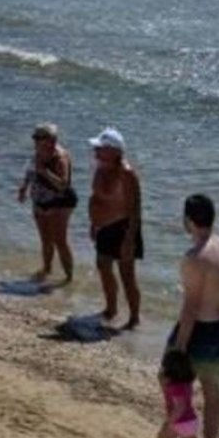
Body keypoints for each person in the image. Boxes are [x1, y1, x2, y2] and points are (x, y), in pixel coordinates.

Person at [169, 193, 219, 438]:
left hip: (200, 329)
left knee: (174, 385)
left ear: (188, 220)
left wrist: (180, 346)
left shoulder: (194, 258)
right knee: (212, 391)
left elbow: (191, 307)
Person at [87, 127, 144, 329]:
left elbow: (135, 209)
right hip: (104, 226)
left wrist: (129, 239)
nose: (95, 151)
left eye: (100, 148)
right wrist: (94, 223)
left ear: (114, 151)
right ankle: (111, 308)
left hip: (123, 227)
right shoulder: (101, 168)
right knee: (103, 266)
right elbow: (96, 198)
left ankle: (134, 318)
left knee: (127, 274)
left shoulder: (126, 174)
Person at [16, 123, 76, 284]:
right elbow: (31, 170)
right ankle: (47, 269)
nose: (36, 141)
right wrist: (24, 187)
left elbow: (63, 184)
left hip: (59, 202)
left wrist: (45, 172)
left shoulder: (60, 157)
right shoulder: (38, 152)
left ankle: (68, 278)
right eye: (35, 137)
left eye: (40, 138)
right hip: (40, 200)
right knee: (45, 239)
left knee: (60, 240)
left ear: (52, 139)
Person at [157, 349, 201, 438]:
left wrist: (170, 421)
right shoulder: (187, 384)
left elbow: (179, 406)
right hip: (192, 420)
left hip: (180, 421)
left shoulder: (175, 387)